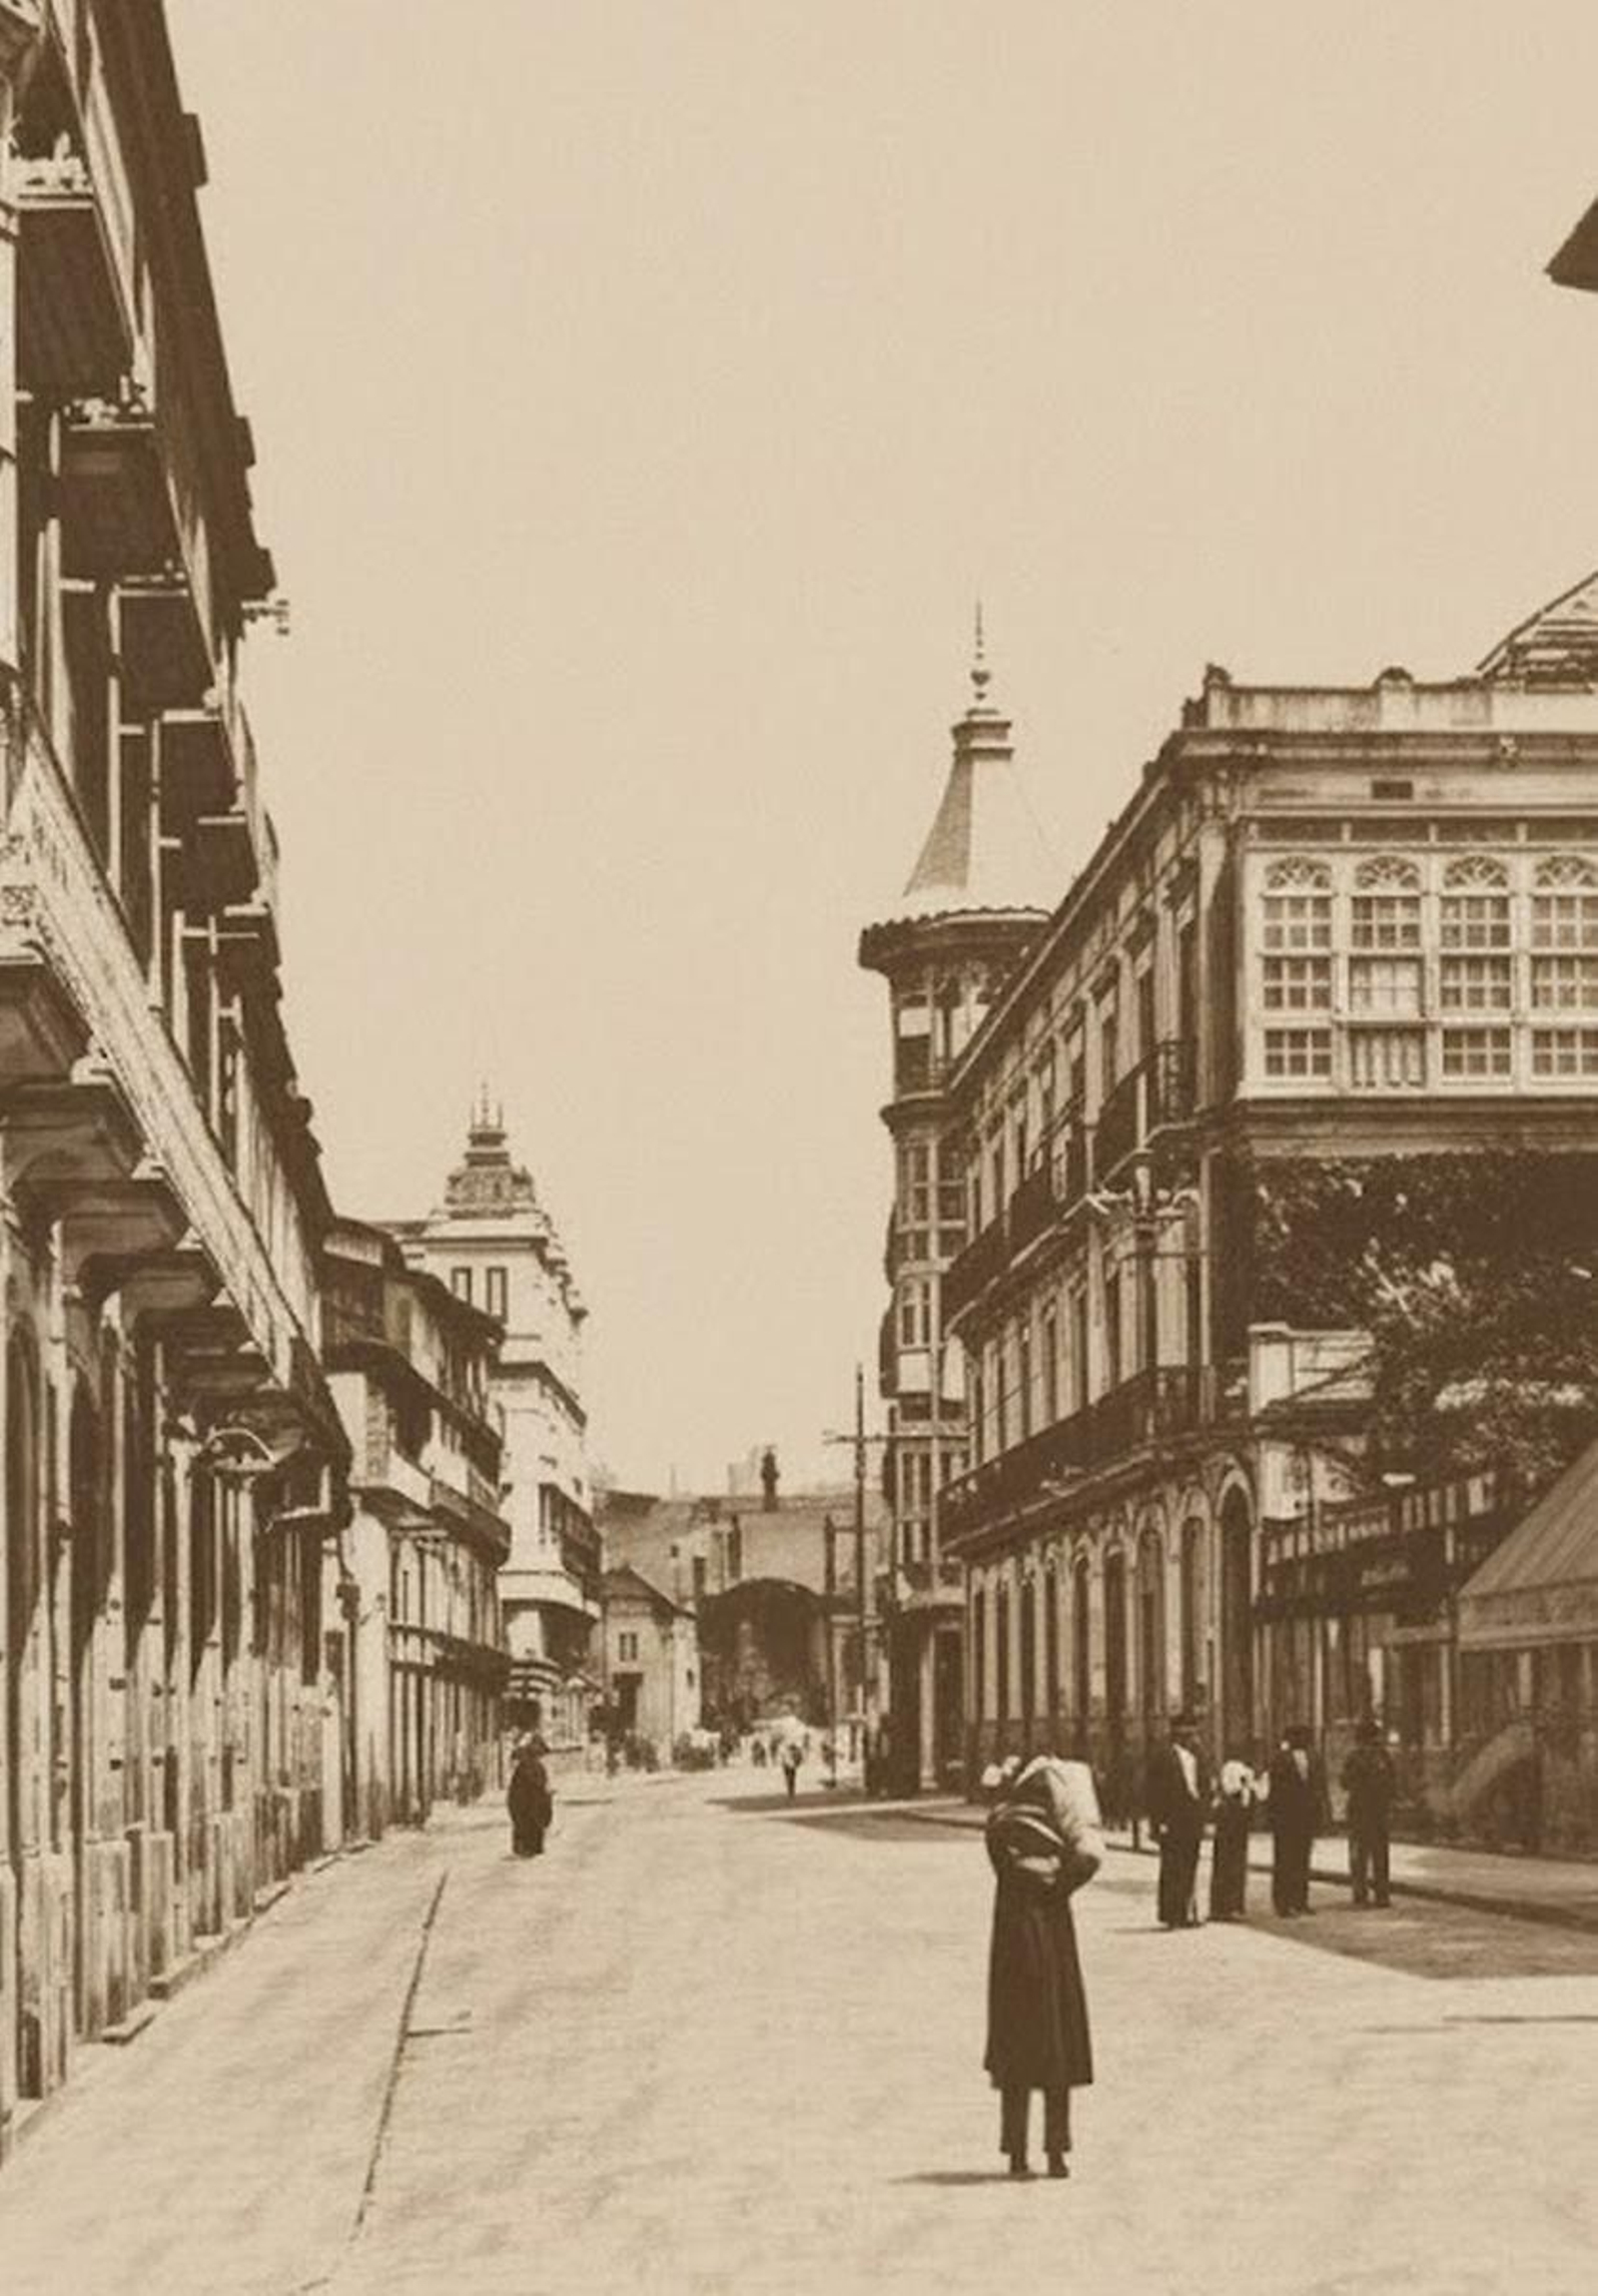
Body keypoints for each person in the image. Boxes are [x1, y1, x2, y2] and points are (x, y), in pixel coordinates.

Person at [984, 1751, 1103, 2180]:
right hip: (1053, 1941)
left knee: (1017, 2048)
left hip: (1012, 1946)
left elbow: (1007, 1862)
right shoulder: (1057, 1840)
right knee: (1057, 2045)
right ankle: (1056, 2152)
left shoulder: (1000, 1828)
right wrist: (1061, 1877)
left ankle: (1016, 2153)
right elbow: (1085, 1862)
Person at [1145, 1715, 1210, 1929]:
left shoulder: (1197, 1756)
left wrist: (1205, 1815)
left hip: (1192, 1818)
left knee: (1190, 1865)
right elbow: (1153, 1792)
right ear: (1177, 1733)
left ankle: (1187, 1911)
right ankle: (1171, 1913)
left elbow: (1204, 1786)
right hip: (1171, 1819)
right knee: (1172, 1867)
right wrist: (1157, 1822)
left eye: (1193, 1733)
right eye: (1187, 1734)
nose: (1192, 1738)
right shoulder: (1162, 1756)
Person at [1266, 1724, 1324, 1916]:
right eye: (1298, 1737)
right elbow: (1275, 1791)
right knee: (1284, 1860)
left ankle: (1300, 1900)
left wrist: (1320, 1815)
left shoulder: (1314, 1759)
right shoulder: (1280, 1759)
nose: (1302, 1741)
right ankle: (1282, 1903)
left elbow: (1319, 1788)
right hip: (1285, 1817)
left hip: (1306, 1817)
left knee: (1302, 1859)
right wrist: (1273, 1817)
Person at [1341, 1720, 1396, 1909]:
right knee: (1380, 1854)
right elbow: (1392, 1783)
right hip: (1379, 1811)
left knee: (1359, 1855)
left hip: (1359, 1811)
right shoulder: (1384, 1756)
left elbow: (1345, 1782)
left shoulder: (1354, 1757)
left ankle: (1360, 1893)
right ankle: (1382, 1894)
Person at [1209, 1752, 1256, 1921]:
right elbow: (1231, 1790)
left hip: (1236, 1826)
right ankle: (1224, 1906)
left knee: (1234, 1865)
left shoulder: (1242, 1772)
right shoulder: (1232, 1770)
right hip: (1230, 1825)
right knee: (1228, 1864)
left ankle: (1231, 1905)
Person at [507, 1736, 553, 1858]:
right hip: (527, 1800)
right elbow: (537, 1783)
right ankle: (528, 1847)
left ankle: (527, 1847)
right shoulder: (531, 1765)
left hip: (524, 1800)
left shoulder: (529, 1765)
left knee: (526, 1822)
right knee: (529, 1822)